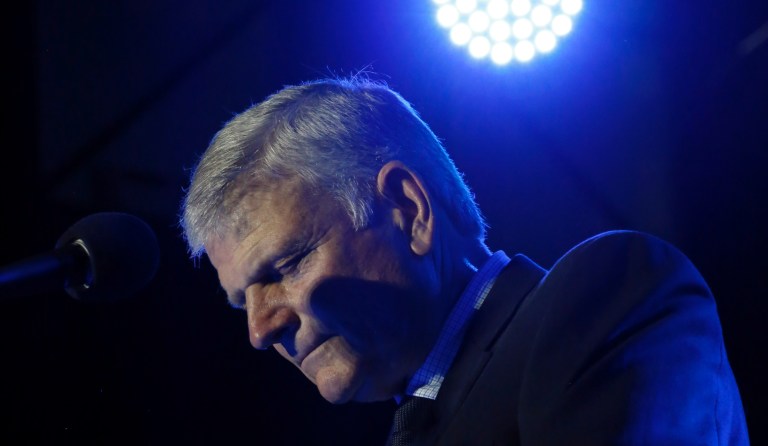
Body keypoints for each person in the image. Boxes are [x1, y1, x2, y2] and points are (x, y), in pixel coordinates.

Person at [179, 76, 749, 445]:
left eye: (286, 266)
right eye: (241, 302)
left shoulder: (607, 294)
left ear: (409, 209)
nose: (259, 330)